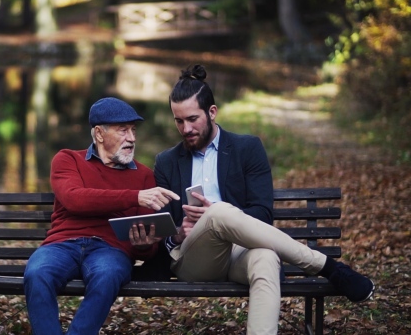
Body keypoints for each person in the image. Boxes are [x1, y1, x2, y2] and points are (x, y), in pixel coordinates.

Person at [149, 64, 375, 335]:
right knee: (218, 213)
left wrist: (220, 213)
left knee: (266, 257)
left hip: (241, 253)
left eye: (193, 119)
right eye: (179, 121)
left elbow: (263, 214)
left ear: (212, 112)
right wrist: (177, 234)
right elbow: (163, 230)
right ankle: (327, 267)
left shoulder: (247, 148)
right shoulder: (166, 162)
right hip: (194, 259)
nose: (186, 129)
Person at [23, 97, 180, 335]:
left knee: (108, 275)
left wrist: (144, 246)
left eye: (133, 131)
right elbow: (75, 199)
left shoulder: (145, 176)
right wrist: (134, 197)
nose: (132, 138)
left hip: (111, 251)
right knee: (37, 273)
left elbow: (144, 249)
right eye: (123, 131)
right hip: (62, 245)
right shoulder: (68, 159)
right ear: (99, 134)